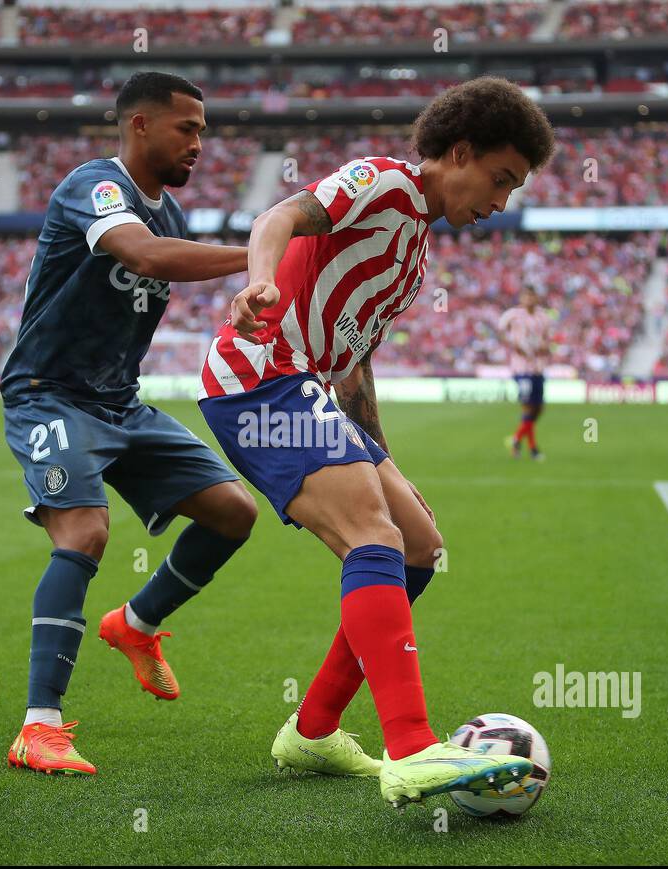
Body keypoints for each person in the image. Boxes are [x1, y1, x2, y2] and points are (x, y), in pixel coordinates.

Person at [197, 77, 557, 808]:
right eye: (500, 179)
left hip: (310, 388)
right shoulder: (383, 182)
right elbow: (279, 216)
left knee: (419, 542)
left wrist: (384, 457)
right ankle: (412, 747)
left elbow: (354, 361)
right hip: (258, 378)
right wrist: (261, 284)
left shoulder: (417, 253)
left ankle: (314, 729)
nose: (501, 202)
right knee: (373, 536)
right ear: (457, 152)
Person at [0, 72, 258, 776]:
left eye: (204, 129)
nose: (201, 143)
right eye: (189, 128)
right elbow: (142, 257)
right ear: (140, 125)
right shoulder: (95, 186)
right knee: (85, 531)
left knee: (234, 512)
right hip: (49, 395)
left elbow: (169, 261)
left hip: (121, 403)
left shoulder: (171, 216)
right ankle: (38, 726)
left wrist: (245, 300)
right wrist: (266, 249)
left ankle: (135, 626)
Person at [501, 287, 551, 460]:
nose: (529, 299)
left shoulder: (543, 317)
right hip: (521, 368)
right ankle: (533, 448)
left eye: (532, 295)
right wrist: (513, 344)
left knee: (538, 408)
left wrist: (546, 347)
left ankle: (516, 439)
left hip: (538, 367)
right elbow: (501, 331)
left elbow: (547, 339)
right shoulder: (513, 315)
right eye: (526, 296)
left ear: (536, 297)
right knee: (528, 406)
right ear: (521, 298)